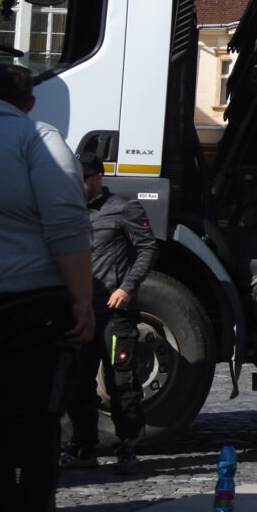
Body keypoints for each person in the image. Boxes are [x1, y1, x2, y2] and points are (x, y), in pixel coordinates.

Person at [0, 64, 93, 512]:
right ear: (28, 102)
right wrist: (83, 301)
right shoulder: (36, 138)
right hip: (31, 301)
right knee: (33, 432)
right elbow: (66, 222)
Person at [62, 152, 157, 473]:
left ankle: (128, 448)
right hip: (80, 311)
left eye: (83, 178)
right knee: (78, 384)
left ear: (97, 178)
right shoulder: (70, 211)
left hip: (115, 313)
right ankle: (83, 449)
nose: (77, 184)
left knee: (121, 384)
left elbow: (147, 248)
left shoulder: (123, 208)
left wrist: (127, 288)